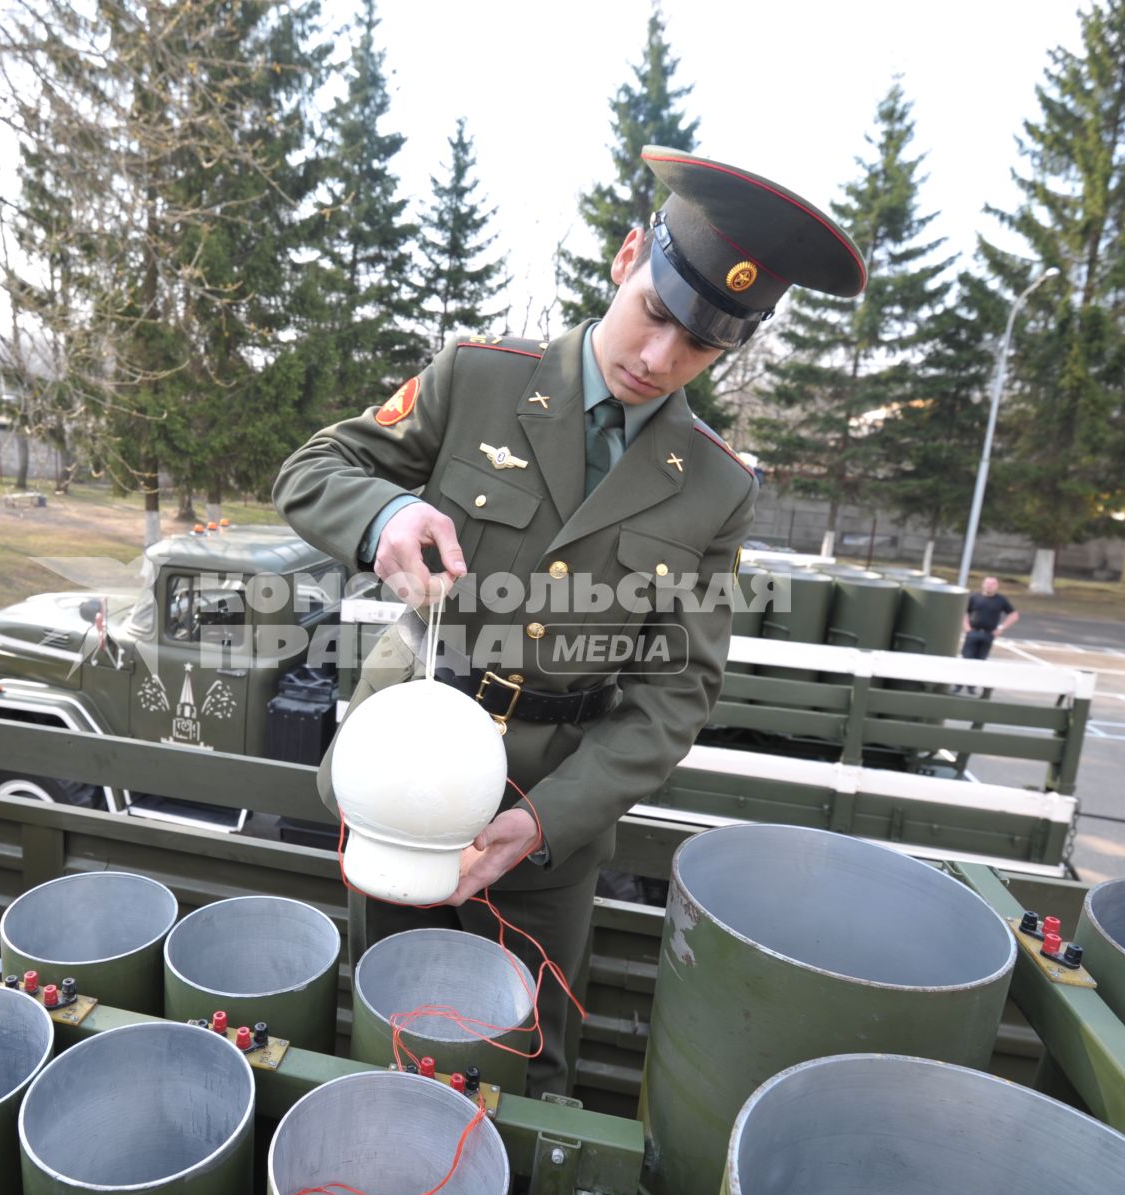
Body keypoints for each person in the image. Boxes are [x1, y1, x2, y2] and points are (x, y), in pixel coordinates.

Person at [272, 146, 864, 1098]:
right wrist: (384, 515)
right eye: (657, 315)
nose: (659, 360)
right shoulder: (478, 379)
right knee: (388, 1016)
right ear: (630, 257)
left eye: (700, 347)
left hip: (554, 803)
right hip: (408, 764)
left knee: (526, 1054)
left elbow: (676, 693)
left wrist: (542, 824)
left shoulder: (717, 487)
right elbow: (310, 472)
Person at [961, 575, 1020, 660]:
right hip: (973, 633)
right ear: (983, 584)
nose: (989, 586)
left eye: (992, 584)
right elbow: (964, 612)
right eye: (987, 583)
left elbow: (1014, 615)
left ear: (997, 586)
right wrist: (967, 628)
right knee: (967, 659)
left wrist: (1001, 628)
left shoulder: (1001, 600)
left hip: (988, 634)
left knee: (981, 660)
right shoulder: (974, 597)